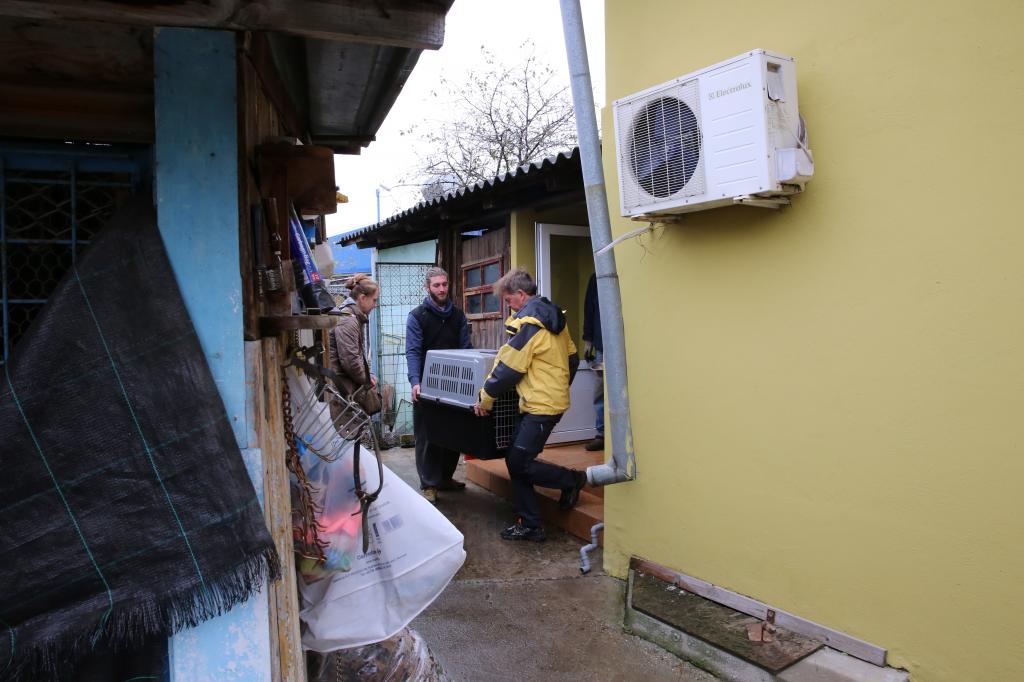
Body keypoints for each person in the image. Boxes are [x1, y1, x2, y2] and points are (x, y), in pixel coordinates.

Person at [473, 269, 587, 542]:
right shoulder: (556, 319)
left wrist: (485, 400)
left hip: (542, 405)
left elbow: (507, 370)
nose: (508, 305)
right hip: (544, 400)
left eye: (509, 299)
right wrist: (557, 386)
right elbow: (573, 358)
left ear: (522, 295)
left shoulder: (532, 326)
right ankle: (531, 524)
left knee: (518, 462)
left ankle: (571, 481)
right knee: (516, 459)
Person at [406, 266, 472, 503]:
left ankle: (445, 478)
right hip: (427, 386)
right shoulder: (417, 316)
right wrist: (415, 382)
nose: (442, 289)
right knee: (428, 436)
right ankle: (429, 484)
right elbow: (413, 351)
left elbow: (466, 350)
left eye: (444, 284)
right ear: (428, 287)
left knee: (454, 434)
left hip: (455, 385)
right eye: (437, 285)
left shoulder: (458, 316)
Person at [328, 274, 379, 438]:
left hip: (344, 388)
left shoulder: (351, 317)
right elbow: (350, 361)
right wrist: (366, 380)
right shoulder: (348, 320)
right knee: (346, 439)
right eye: (374, 300)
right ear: (363, 298)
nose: (375, 305)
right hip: (342, 390)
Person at [582, 273, 604, 451]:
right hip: (601, 345)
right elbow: (589, 309)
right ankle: (602, 434)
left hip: (626, 343)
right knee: (600, 391)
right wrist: (588, 341)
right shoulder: (596, 278)